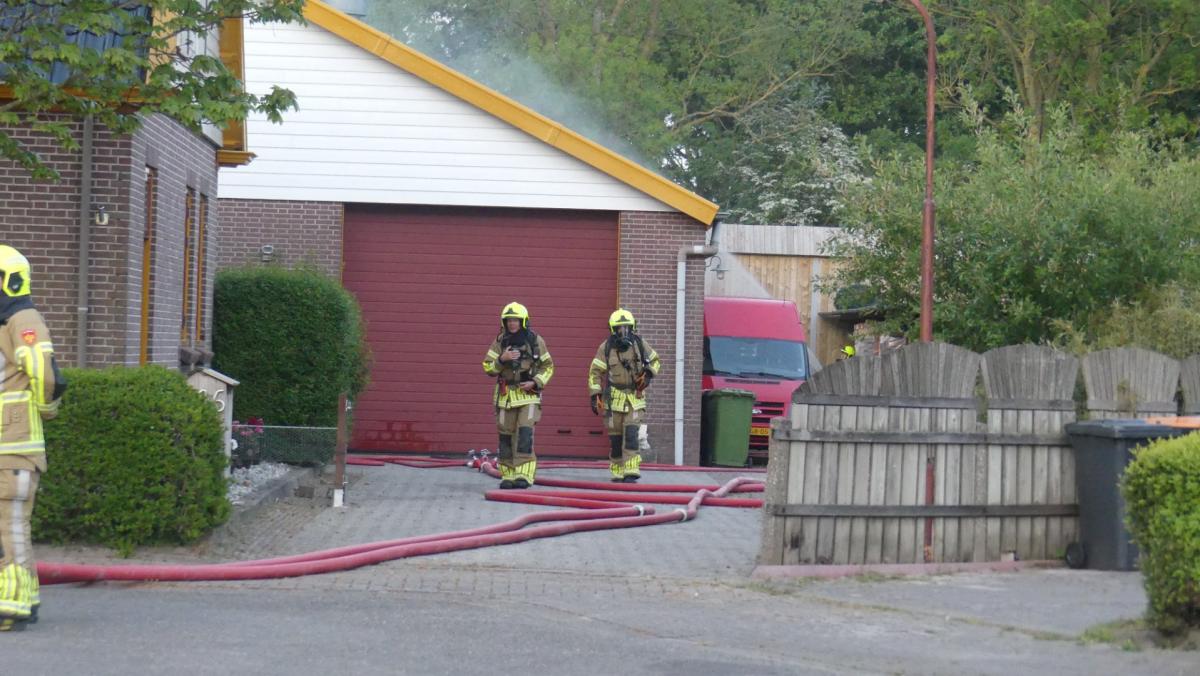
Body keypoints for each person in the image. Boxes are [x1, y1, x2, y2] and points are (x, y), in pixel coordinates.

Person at [0, 245, 65, 631]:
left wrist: (45, 407)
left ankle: (11, 605)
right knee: (9, 529)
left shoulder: (21, 318)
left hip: (13, 450)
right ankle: (24, 597)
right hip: (7, 450)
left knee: (10, 530)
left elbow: (47, 373)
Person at [482, 302, 553, 489]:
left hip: (528, 394)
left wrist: (535, 382)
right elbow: (488, 367)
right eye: (509, 320)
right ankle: (508, 474)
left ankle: (524, 474)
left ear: (524, 321)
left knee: (524, 433)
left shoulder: (536, 341)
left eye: (516, 320)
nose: (512, 323)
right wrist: (501, 359)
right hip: (506, 396)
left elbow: (548, 366)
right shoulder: (499, 342)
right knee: (505, 436)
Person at [588, 309, 660, 482]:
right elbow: (595, 372)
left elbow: (655, 360)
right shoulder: (605, 348)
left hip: (635, 396)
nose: (624, 331)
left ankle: (631, 468)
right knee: (616, 437)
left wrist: (648, 374)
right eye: (620, 328)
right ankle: (618, 468)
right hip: (613, 399)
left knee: (631, 432)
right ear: (614, 329)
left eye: (627, 327)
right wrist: (595, 394)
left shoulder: (640, 344)